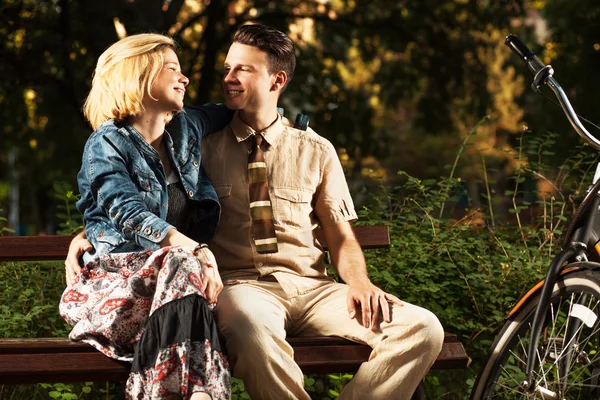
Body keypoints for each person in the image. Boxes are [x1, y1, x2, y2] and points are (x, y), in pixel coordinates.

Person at [67, 24, 445, 399]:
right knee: (250, 331)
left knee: (423, 328)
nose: (228, 79)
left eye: (242, 70)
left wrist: (360, 283)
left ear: (277, 80)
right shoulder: (199, 147)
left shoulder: (315, 149)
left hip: (314, 289)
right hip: (243, 288)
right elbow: (135, 200)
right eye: (228, 68)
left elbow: (340, 234)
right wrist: (90, 231)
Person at [59, 33, 232, 400]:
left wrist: (288, 121)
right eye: (172, 69)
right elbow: (128, 213)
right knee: (183, 260)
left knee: (182, 264)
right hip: (117, 293)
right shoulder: (106, 143)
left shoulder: (185, 128)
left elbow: (238, 104)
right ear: (137, 76)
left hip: (175, 291)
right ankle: (203, 392)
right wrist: (197, 249)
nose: (184, 78)